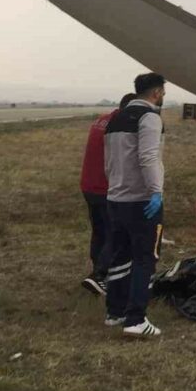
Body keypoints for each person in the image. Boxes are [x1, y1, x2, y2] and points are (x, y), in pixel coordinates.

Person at [103, 73, 167, 337]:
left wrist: (114, 187)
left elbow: (109, 161)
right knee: (144, 259)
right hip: (141, 201)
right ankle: (136, 319)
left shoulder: (115, 118)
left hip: (116, 198)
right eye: (163, 91)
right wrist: (156, 192)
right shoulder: (149, 117)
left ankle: (114, 312)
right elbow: (149, 156)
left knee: (120, 256)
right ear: (156, 93)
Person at [79, 92, 136, 296]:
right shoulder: (121, 125)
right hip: (106, 188)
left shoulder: (102, 120)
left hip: (88, 185)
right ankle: (99, 276)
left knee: (100, 230)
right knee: (116, 231)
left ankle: (97, 271)